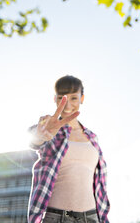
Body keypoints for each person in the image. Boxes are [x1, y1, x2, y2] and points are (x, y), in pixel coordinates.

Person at [28, 75, 110, 223]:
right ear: (55, 99)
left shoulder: (92, 137)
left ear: (82, 98)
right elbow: (35, 139)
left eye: (73, 98)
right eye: (61, 98)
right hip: (57, 217)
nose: (67, 104)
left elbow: (99, 183)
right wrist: (40, 135)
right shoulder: (51, 128)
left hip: (92, 218)